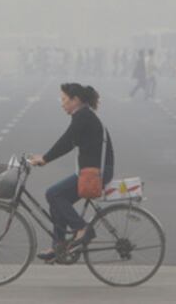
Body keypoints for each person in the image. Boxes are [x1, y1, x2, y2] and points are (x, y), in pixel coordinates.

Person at [29, 83, 114, 262]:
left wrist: (45, 158)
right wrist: (44, 157)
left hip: (95, 174)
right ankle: (58, 247)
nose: (62, 104)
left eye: (64, 99)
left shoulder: (82, 116)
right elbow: (69, 142)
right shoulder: (84, 115)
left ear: (75, 100)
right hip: (91, 171)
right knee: (57, 199)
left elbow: (66, 141)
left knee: (53, 194)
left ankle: (82, 229)